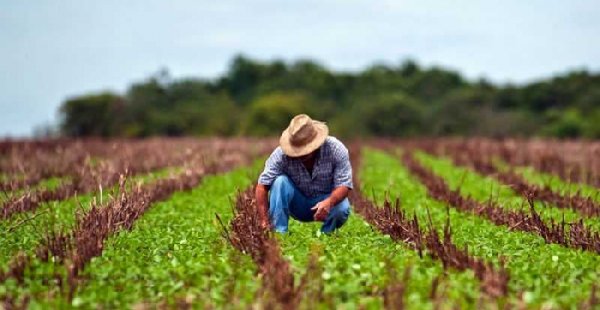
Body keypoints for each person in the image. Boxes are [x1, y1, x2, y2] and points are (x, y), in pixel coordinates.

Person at [256, 114, 353, 233]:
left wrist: (329, 202)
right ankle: (279, 234)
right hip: (298, 203)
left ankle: (326, 235)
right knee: (280, 182)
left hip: (326, 200)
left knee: (342, 208)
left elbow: (344, 185)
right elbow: (262, 186)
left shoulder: (336, 149)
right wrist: (264, 221)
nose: (302, 154)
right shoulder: (281, 155)